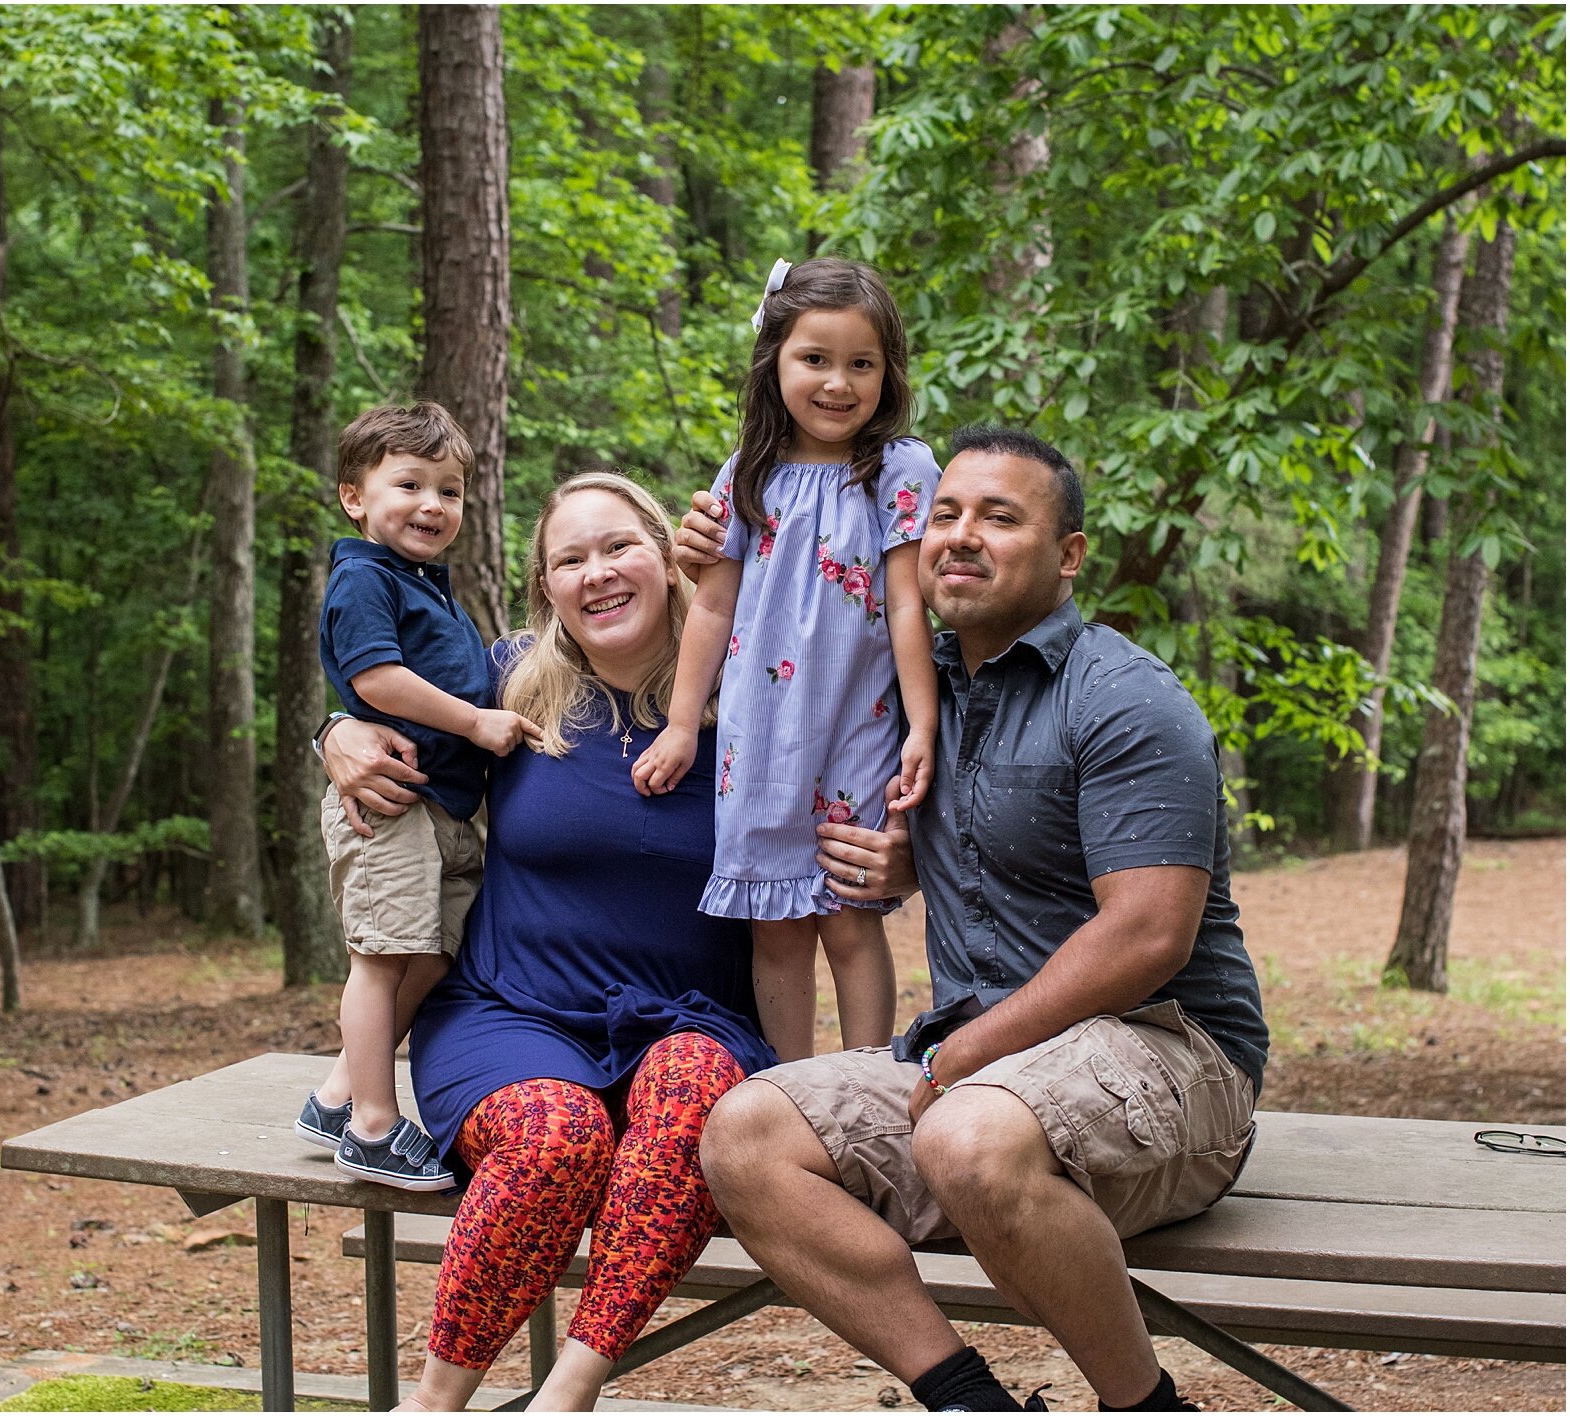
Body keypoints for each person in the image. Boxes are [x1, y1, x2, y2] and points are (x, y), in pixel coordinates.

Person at [689, 425, 1270, 1413]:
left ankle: (1147, 1407)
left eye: (1000, 518)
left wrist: (957, 1059)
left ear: (1069, 556)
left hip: (1172, 1053)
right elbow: (746, 641)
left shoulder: (1126, 699)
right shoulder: (917, 700)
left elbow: (1146, 934)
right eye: (945, 514)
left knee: (964, 1137)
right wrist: (695, 553)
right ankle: (968, 1400)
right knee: (745, 1132)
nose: (960, 536)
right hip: (985, 1070)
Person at [321, 472, 905, 1411]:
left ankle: (570, 1392)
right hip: (511, 1013)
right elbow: (381, 700)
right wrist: (334, 731)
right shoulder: (508, 683)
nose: (597, 573)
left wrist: (899, 855)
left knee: (686, 1102)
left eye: (618, 546)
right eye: (569, 559)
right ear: (546, 586)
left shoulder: (758, 695)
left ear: (669, 557)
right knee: (556, 1140)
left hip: (698, 1019)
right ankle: (432, 1403)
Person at [632, 257, 942, 1063]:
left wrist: (924, 722)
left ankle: (867, 1084)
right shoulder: (748, 474)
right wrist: (680, 728)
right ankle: (792, 1093)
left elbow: (909, 603)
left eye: (861, 364)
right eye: (816, 359)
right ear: (775, 361)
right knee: (776, 931)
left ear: (888, 374)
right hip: (757, 737)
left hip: (855, 726)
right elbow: (711, 604)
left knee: (848, 916)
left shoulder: (900, 470)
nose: (838, 383)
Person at [299, 401, 540, 1192]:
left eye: (451, 490)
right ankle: (372, 1125)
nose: (434, 505)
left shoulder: (428, 588)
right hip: (395, 803)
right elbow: (376, 679)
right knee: (382, 957)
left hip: (441, 809)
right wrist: (476, 722)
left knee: (434, 953)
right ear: (354, 497)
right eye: (409, 484)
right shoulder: (364, 577)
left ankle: (337, 1094)